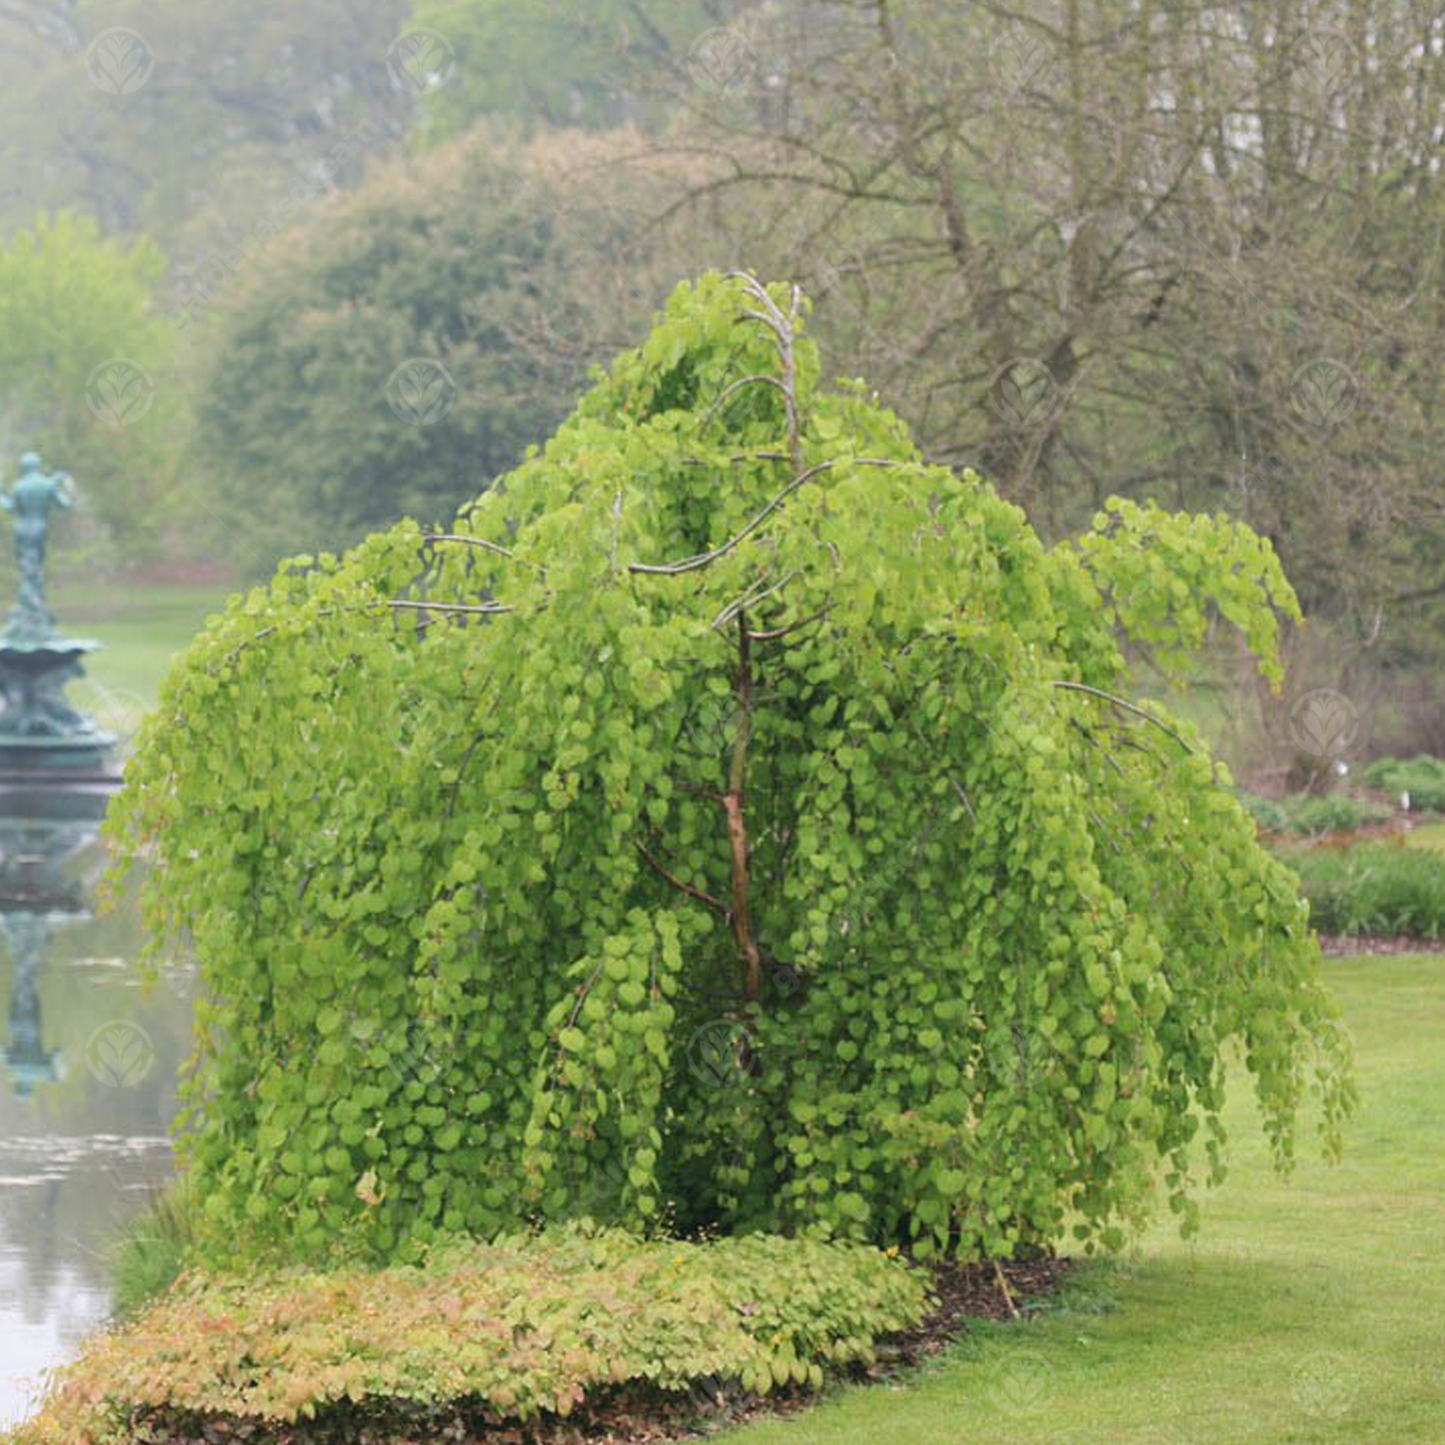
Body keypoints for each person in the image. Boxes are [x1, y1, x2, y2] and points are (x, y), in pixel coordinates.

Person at [0, 452, 76, 624]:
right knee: (34, 567)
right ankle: (34, 604)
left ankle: (31, 605)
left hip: (21, 528)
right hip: (40, 528)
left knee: (27, 567)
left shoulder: (19, 485)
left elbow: (11, 508)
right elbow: (65, 504)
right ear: (38, 466)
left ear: (23, 467)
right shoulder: (47, 484)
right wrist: (64, 487)